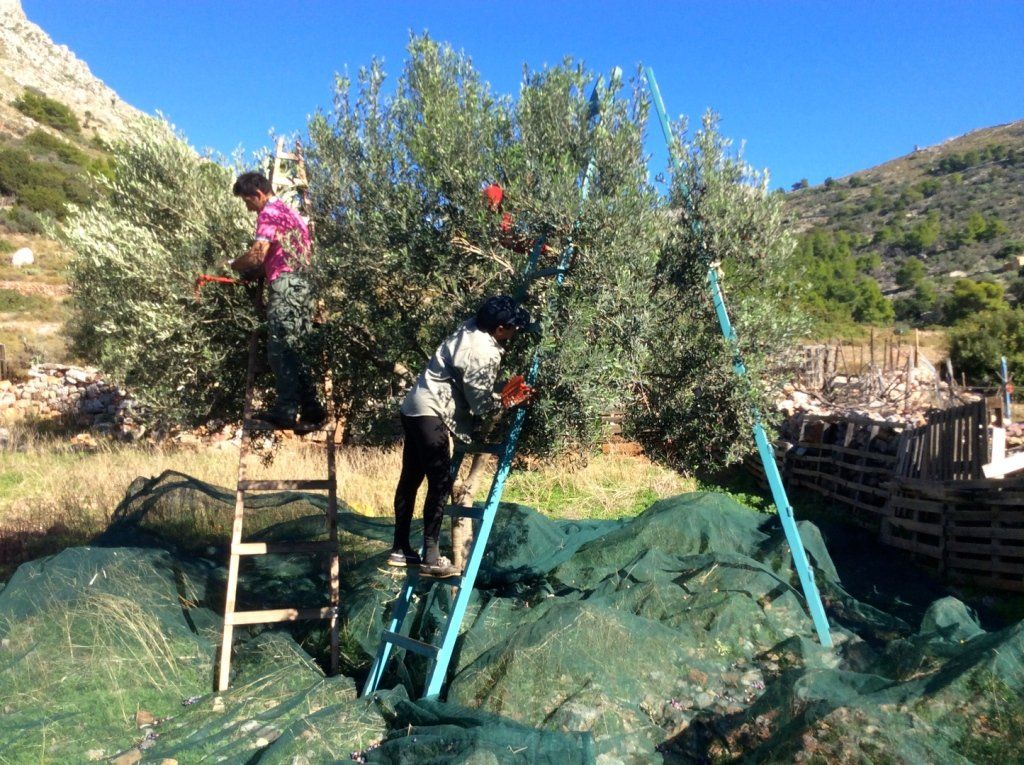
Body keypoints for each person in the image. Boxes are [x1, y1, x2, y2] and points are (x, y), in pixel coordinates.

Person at [391, 295, 532, 578]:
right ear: (500, 329)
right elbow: (480, 405)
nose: (515, 333)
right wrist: (506, 401)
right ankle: (431, 557)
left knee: (411, 479)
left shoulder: (470, 327)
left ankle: (400, 547)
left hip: (413, 407)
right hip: (432, 412)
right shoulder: (483, 352)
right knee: (440, 483)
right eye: (514, 328)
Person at [229, 171, 326, 432]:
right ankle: (313, 411)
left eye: (248, 202)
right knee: (295, 349)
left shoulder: (269, 213)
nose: (249, 209)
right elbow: (276, 256)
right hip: (304, 286)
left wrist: (232, 265)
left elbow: (257, 254)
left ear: (258, 194)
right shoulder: (290, 213)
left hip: (287, 285)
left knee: (279, 350)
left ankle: (286, 410)